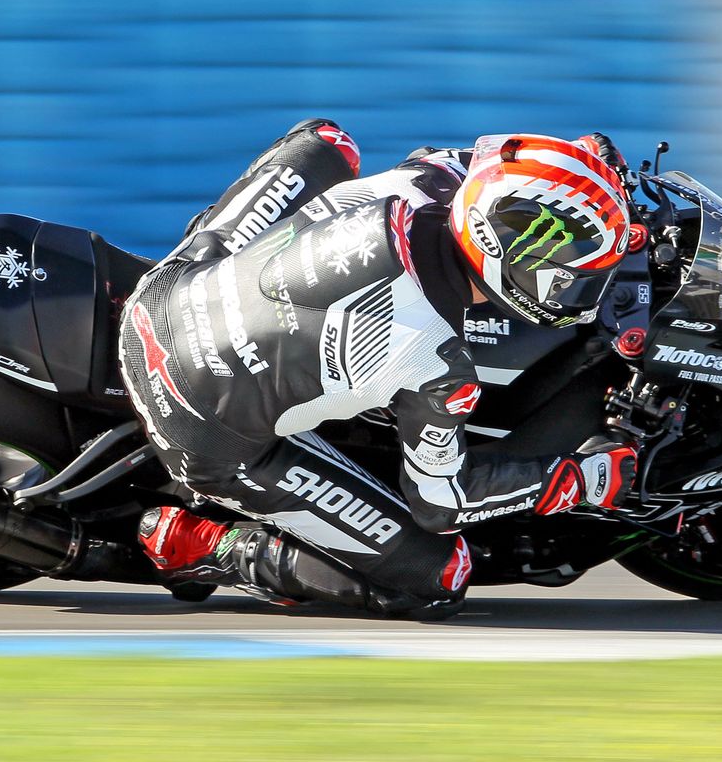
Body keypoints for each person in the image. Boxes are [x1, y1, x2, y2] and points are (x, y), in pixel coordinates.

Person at [118, 119, 638, 618]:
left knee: (326, 141)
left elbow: (484, 167)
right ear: (511, 259)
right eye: (575, 276)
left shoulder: (427, 182)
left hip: (166, 291)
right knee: (439, 578)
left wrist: (577, 166)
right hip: (199, 426)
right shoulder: (435, 358)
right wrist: (576, 480)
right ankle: (208, 546)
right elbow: (441, 502)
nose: (581, 291)